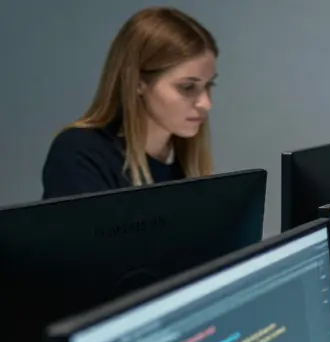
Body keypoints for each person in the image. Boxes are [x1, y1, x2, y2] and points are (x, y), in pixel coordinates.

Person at [42, 7, 217, 200]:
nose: (206, 103)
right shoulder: (80, 153)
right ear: (137, 82)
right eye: (187, 87)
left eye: (208, 85)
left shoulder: (188, 164)